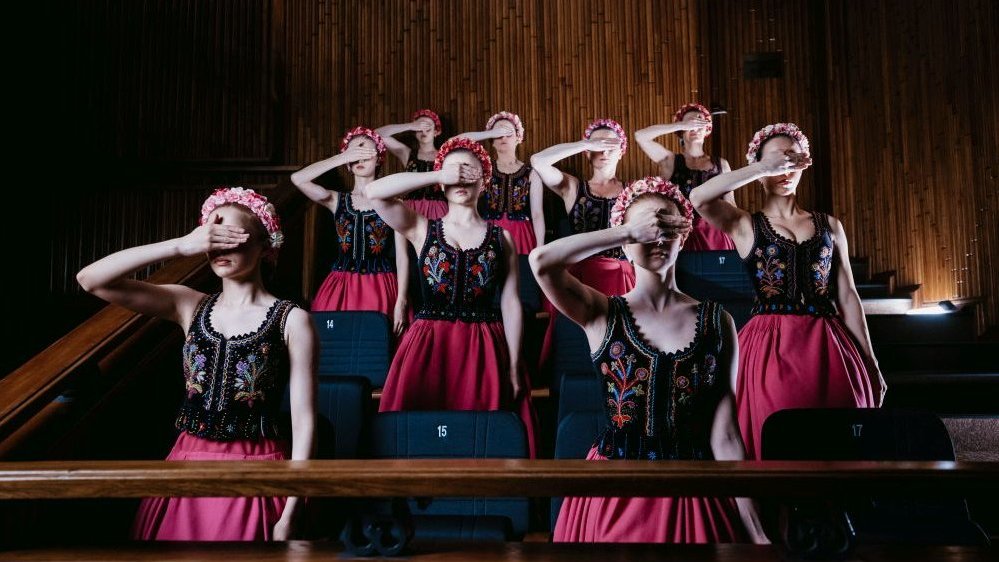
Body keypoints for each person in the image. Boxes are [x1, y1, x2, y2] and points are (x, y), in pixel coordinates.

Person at [530, 176, 766, 543]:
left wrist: (756, 532)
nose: (655, 237)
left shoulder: (717, 320)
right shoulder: (601, 312)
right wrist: (627, 233)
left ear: (684, 235)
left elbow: (726, 434)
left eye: (666, 226)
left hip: (693, 491)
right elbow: (541, 261)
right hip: (613, 489)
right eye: (645, 228)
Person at [76, 187, 317, 540]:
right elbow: (91, 279)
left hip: (258, 468)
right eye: (212, 238)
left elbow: (305, 420)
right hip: (186, 464)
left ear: (266, 246)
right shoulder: (189, 304)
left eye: (232, 236)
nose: (220, 248)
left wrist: (293, 509)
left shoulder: (292, 320)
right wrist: (179, 245)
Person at [688, 122, 885, 459]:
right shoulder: (745, 224)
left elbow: (848, 295)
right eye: (777, 161)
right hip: (771, 345)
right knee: (779, 439)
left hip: (830, 344)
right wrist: (765, 167)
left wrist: (870, 360)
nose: (786, 168)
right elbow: (699, 197)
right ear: (759, 171)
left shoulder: (830, 225)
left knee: (838, 441)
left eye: (793, 159)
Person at [364, 137, 538, 456]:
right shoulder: (420, 228)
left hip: (483, 346)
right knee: (419, 440)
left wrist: (514, 364)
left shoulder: (504, 239)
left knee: (479, 442)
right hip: (428, 344)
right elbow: (373, 192)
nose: (459, 177)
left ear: (484, 180)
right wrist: (437, 174)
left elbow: (511, 303)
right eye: (452, 171)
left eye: (468, 170)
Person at [290, 127, 409, 335]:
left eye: (366, 153)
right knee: (335, 343)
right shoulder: (336, 200)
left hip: (380, 286)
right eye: (355, 154)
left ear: (379, 159)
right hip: (340, 287)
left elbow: (402, 257)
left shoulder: (392, 202)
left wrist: (401, 301)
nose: (360, 159)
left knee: (374, 347)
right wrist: (342, 156)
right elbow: (297, 179)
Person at [531, 118, 635, 295]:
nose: (604, 150)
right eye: (597, 145)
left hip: (622, 277)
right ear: (587, 152)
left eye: (610, 144)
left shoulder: (633, 190)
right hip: (582, 278)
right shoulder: (572, 187)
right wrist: (585, 143)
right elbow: (538, 161)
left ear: (621, 152)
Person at [635, 102, 736, 250]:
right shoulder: (670, 161)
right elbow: (640, 136)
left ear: (706, 128)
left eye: (699, 121)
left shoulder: (722, 164)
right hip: (680, 235)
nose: (694, 126)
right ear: (682, 131)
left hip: (717, 237)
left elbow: (731, 205)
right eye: (689, 123)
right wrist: (679, 125)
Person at [459, 111, 545, 255]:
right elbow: (457, 142)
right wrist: (488, 134)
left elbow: (537, 214)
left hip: (521, 235)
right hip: (488, 233)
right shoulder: (484, 169)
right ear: (492, 141)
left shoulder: (532, 173)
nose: (503, 136)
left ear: (518, 138)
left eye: (508, 132)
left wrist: (541, 248)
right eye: (498, 133)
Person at [377, 109, 449, 219]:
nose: (423, 130)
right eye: (420, 127)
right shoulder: (406, 153)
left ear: (436, 131)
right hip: (410, 209)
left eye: (428, 126)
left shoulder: (445, 155)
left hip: (439, 209)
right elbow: (376, 134)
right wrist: (410, 125)